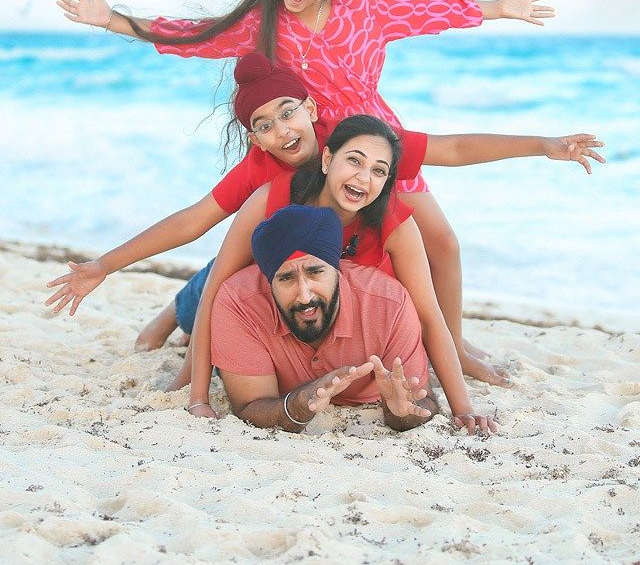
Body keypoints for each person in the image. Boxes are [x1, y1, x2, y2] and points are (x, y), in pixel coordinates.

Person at [55, 0, 556, 385]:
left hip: (370, 149)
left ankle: (456, 345)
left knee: (441, 243)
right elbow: (193, 36)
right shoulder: (261, 24)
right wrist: (112, 21)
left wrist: (496, 8)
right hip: (306, 157)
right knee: (260, 252)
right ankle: (181, 310)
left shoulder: (363, 5)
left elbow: (427, 10)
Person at [45, 54, 605, 391]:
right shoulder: (262, 171)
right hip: (266, 267)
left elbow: (453, 146)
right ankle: (174, 311)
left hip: (320, 272)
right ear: (254, 136)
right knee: (223, 279)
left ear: (311, 110)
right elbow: (194, 220)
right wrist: (104, 265)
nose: (282, 130)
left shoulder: (354, 144)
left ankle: (456, 347)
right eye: (264, 124)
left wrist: (543, 145)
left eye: (288, 112)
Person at [208, 204, 496, 435]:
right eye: (286, 278)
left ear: (337, 268)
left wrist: (400, 412)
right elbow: (249, 406)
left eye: (315, 272)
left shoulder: (389, 304)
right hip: (220, 302)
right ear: (268, 282)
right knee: (193, 307)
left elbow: (421, 404)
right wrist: (299, 403)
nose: (305, 295)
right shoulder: (238, 302)